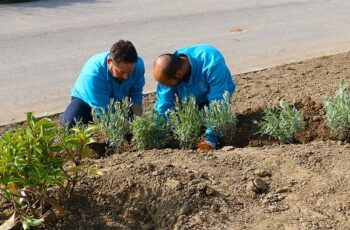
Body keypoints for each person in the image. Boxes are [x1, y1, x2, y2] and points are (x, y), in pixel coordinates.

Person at [153, 44, 235, 150]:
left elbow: (218, 101)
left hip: (216, 93)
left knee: (214, 119)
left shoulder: (210, 60)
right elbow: (164, 104)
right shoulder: (167, 71)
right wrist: (159, 135)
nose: (165, 86)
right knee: (186, 122)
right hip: (189, 99)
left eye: (167, 84)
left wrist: (210, 139)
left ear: (178, 74)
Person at [61, 40, 145, 128]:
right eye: (121, 72)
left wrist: (140, 123)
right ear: (109, 62)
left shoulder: (138, 65)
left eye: (130, 72)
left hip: (119, 102)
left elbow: (136, 97)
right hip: (87, 102)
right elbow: (102, 111)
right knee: (68, 125)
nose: (126, 77)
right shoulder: (93, 74)